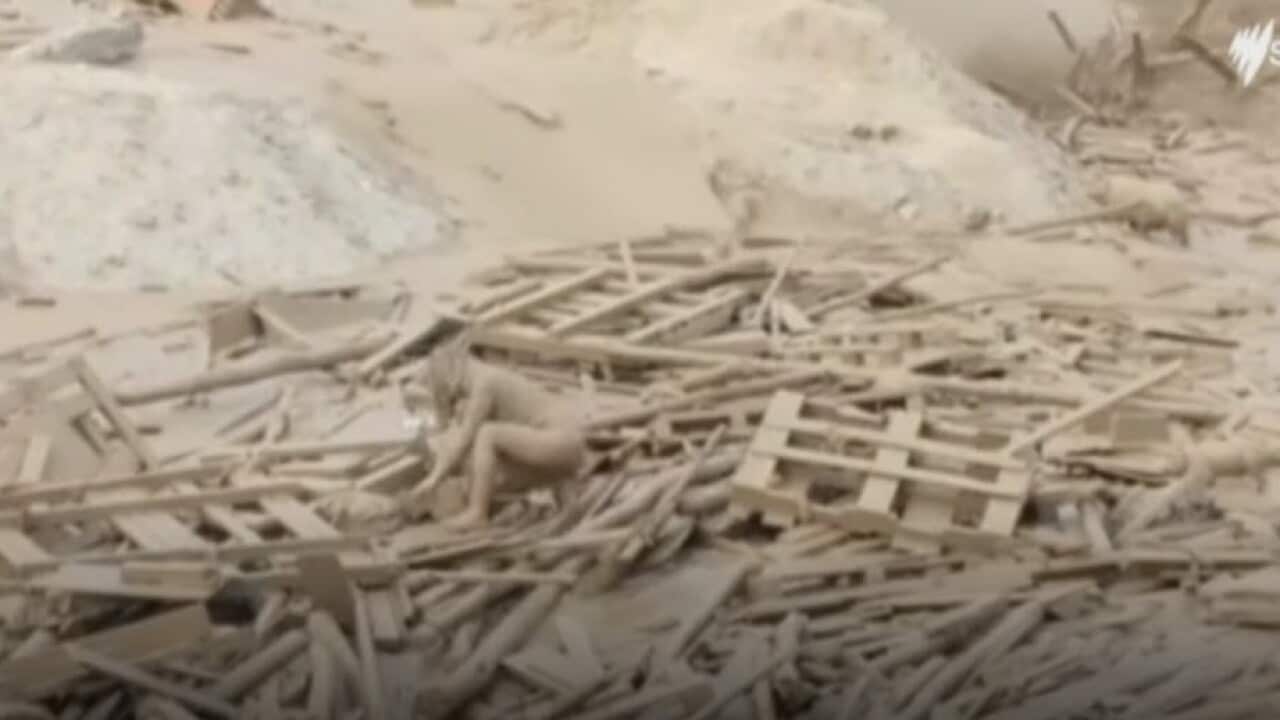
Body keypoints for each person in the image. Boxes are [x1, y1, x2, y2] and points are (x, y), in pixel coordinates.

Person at [407, 332, 587, 528]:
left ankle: (477, 513)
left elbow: (463, 440)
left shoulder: (485, 383)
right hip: (566, 446)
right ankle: (564, 493)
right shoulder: (489, 378)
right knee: (489, 455)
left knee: (488, 434)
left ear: (455, 371)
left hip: (559, 441)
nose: (455, 396)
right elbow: (449, 428)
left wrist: (433, 479)